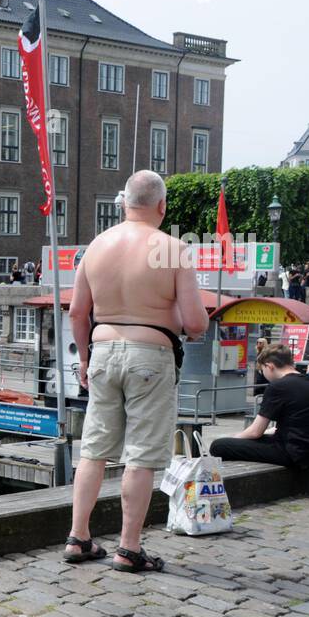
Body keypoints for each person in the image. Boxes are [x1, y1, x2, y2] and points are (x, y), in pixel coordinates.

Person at [66, 171, 208, 574]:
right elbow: (196, 322)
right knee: (141, 456)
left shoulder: (96, 247)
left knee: (93, 449)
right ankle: (128, 548)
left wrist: (84, 358)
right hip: (151, 354)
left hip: (103, 351)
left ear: (125, 203)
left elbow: (78, 311)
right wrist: (183, 322)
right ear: (161, 206)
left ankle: (79, 537)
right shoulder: (173, 248)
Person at [210, 345, 309, 480]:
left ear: (269, 366)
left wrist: (233, 438)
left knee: (219, 445)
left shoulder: (278, 387)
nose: (264, 375)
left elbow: (255, 432)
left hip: (292, 452)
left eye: (262, 370)